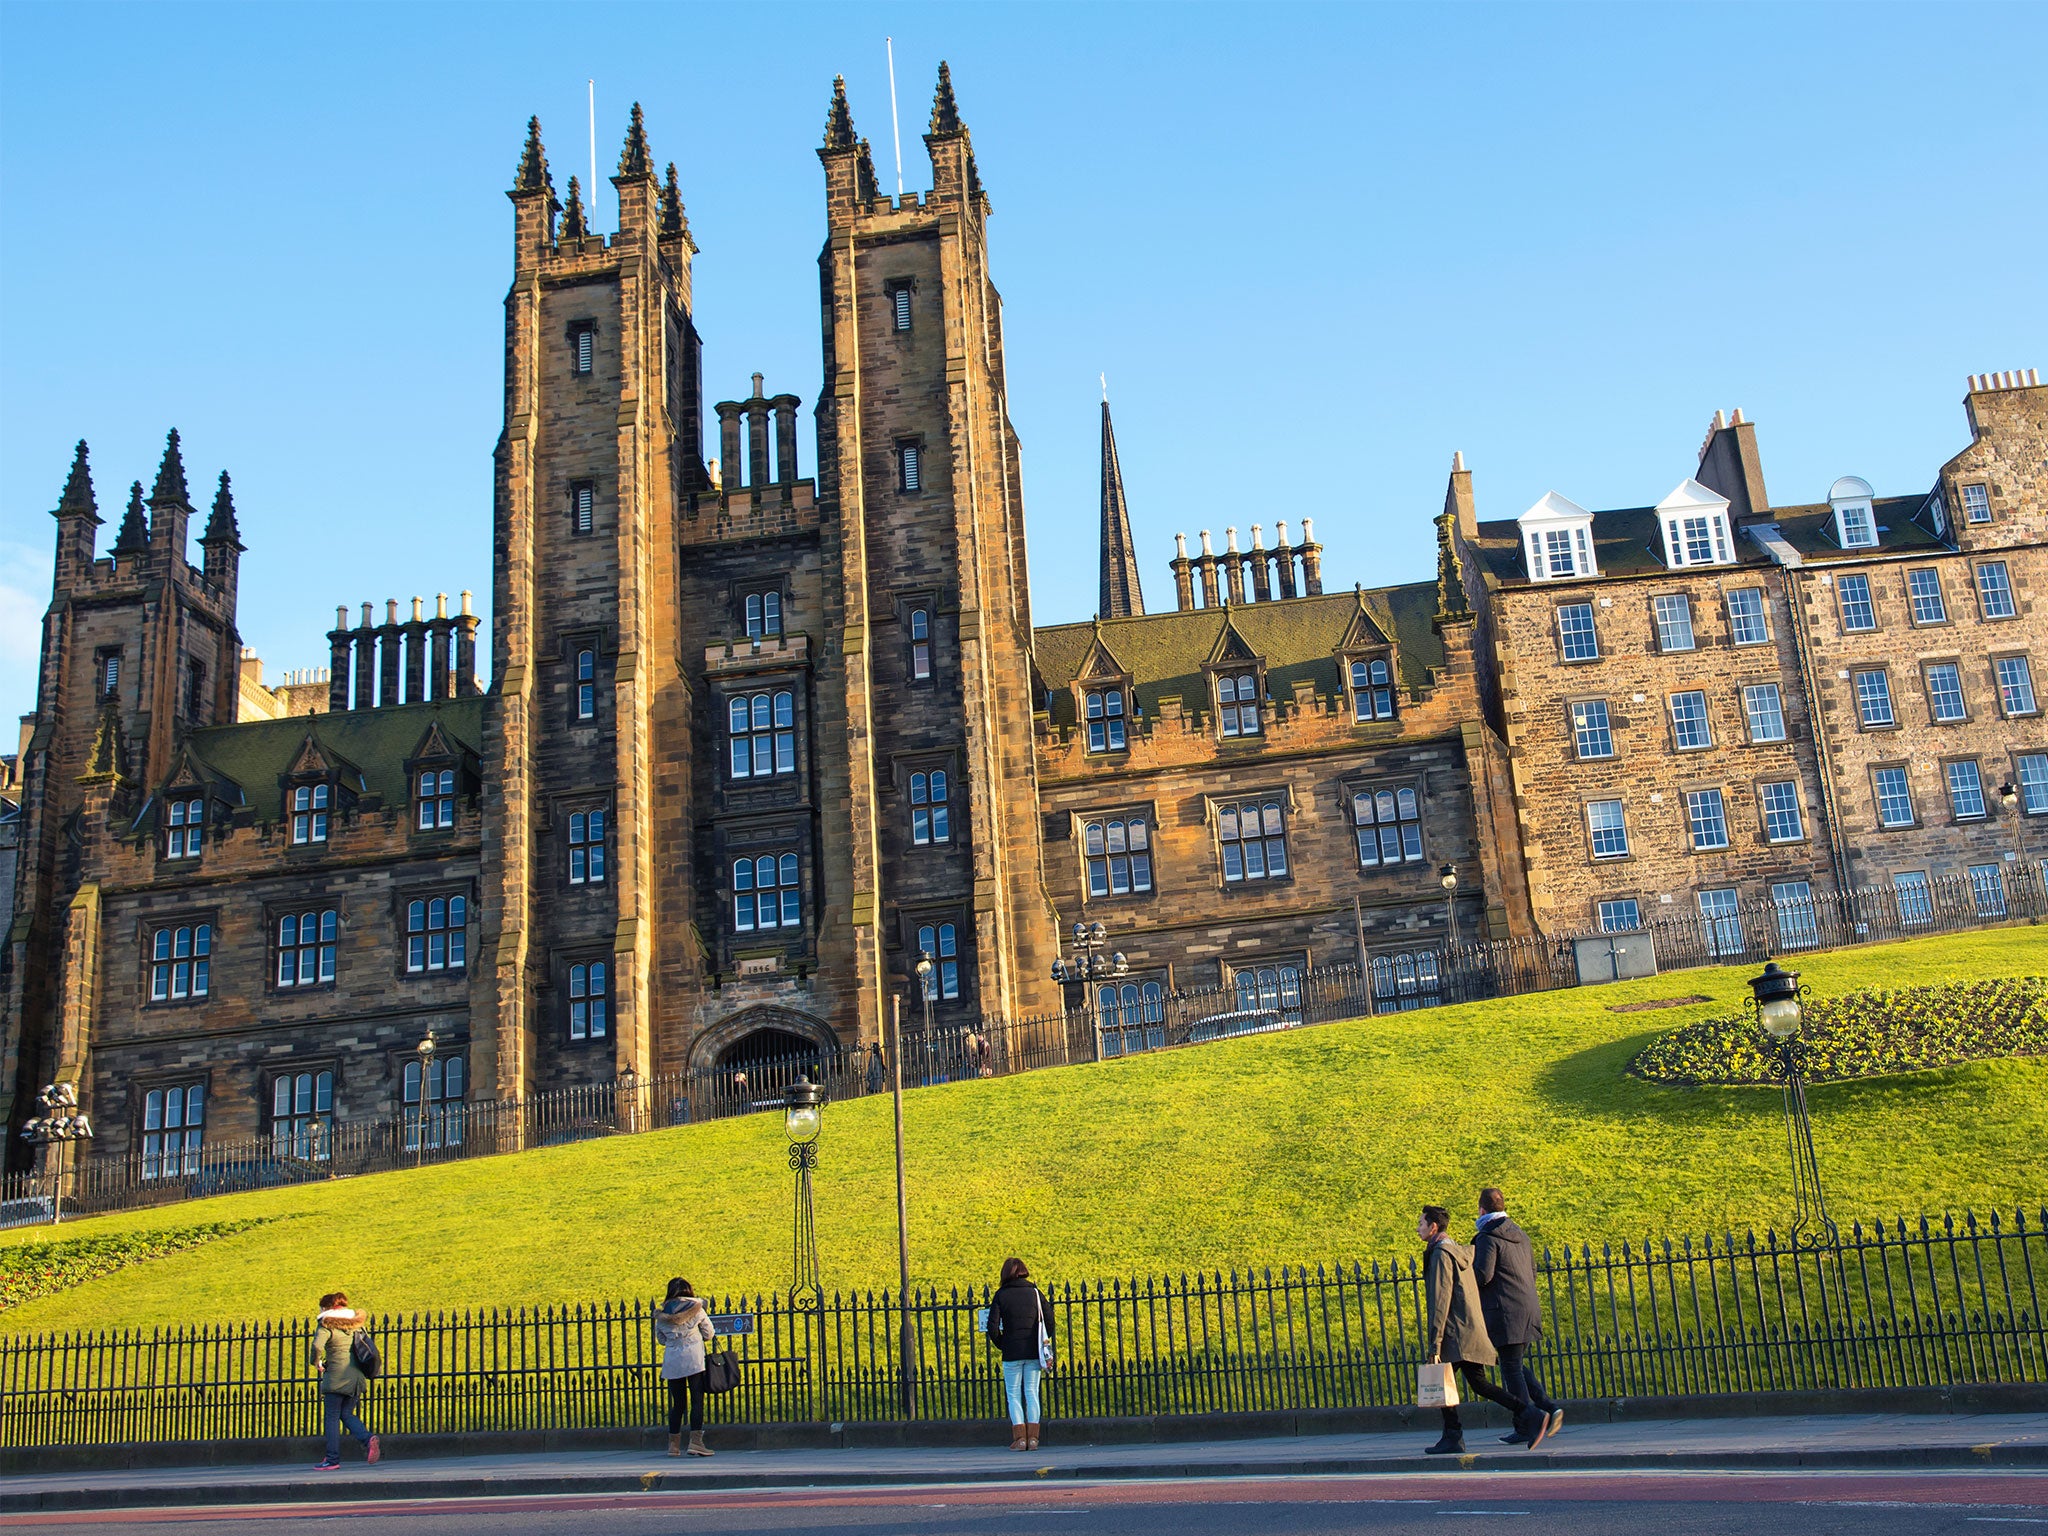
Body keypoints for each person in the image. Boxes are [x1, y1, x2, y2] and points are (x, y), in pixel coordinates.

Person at [1418, 1205, 1545, 1454]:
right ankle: (1528, 1414)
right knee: (1478, 1385)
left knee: (1446, 1381)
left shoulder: (1442, 1254)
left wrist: (1435, 1342)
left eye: (1421, 1223)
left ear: (1433, 1227)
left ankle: (1454, 1435)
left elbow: (1440, 1299)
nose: (1417, 1228)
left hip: (1454, 1333)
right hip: (1465, 1330)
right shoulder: (1457, 1252)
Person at [1472, 1187, 1563, 1446]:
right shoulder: (1520, 1234)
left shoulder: (1487, 1237)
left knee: (1511, 1366)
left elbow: (1483, 1276)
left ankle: (1527, 1424)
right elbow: (1532, 1271)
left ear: (1481, 1210)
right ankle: (1547, 1406)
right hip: (1527, 1306)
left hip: (1504, 1310)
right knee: (1514, 1363)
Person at [984, 1257, 1052, 1451]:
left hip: (1012, 1351)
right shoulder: (1035, 1293)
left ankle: (1020, 1438)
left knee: (1013, 1395)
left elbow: (992, 1326)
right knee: (1032, 1392)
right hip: (1032, 1350)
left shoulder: (1001, 1295)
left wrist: (1002, 1344)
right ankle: (1034, 1438)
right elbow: (1049, 1319)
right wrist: (1041, 1341)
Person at [308, 1292, 379, 1470]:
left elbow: (317, 1346)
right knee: (346, 1413)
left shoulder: (326, 1324)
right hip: (356, 1377)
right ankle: (367, 1438)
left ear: (326, 1308)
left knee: (331, 1417)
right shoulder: (356, 1325)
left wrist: (316, 1362)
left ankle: (332, 1459)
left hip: (337, 1378)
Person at [655, 1277, 717, 1457]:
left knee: (678, 1403)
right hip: (693, 1359)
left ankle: (673, 1446)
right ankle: (696, 1442)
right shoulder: (697, 1309)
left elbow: (660, 1339)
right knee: (696, 1400)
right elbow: (709, 1333)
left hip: (673, 1360)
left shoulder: (662, 1314)